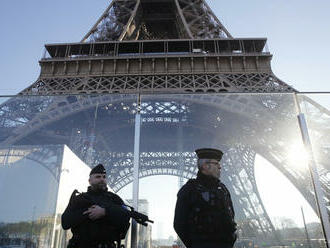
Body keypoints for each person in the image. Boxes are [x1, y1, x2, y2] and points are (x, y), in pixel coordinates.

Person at [174, 148, 237, 248]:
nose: (220, 167)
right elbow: (179, 224)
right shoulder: (189, 190)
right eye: (216, 163)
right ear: (205, 166)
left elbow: (231, 217)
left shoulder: (223, 189)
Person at [62, 164, 130, 248]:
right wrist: (88, 212)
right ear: (89, 180)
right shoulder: (79, 199)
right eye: (98, 177)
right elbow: (65, 222)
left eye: (104, 177)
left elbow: (126, 216)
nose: (102, 179)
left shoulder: (114, 199)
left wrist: (105, 212)